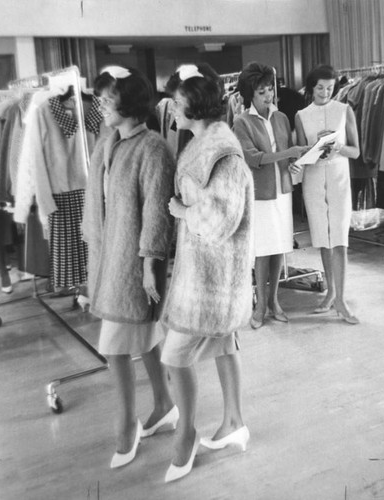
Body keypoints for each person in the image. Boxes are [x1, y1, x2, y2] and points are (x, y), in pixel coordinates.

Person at [160, 63, 255, 482]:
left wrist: (181, 209)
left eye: (178, 103)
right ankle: (235, 421)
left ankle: (187, 432)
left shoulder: (222, 150)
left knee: (175, 354)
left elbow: (220, 220)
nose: (172, 110)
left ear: (195, 104)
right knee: (223, 343)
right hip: (209, 273)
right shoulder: (205, 141)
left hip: (210, 279)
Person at [82, 65, 178, 469]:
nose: (102, 106)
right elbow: (98, 204)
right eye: (101, 98)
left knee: (114, 349)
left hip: (135, 266)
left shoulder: (152, 147)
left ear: (130, 102)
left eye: (108, 99)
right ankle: (164, 403)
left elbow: (157, 214)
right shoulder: (109, 141)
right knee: (145, 338)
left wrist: (148, 266)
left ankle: (127, 424)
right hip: (109, 258)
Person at [233, 62, 309, 329]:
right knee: (262, 252)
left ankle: (275, 300)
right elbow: (253, 158)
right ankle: (261, 305)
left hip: (282, 191)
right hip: (260, 195)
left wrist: (292, 163)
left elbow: (284, 156)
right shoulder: (241, 122)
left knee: (279, 248)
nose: (269, 95)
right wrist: (287, 154)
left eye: (270, 89)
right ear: (250, 94)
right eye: (262, 91)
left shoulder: (281, 118)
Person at [294, 64, 360, 324]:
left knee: (340, 239)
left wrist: (338, 147)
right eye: (320, 87)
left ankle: (341, 300)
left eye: (330, 88)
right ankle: (330, 292)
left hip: (339, 179)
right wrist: (314, 148)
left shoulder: (344, 110)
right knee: (322, 238)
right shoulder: (301, 115)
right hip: (312, 179)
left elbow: (356, 152)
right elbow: (300, 153)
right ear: (311, 87)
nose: (325, 92)